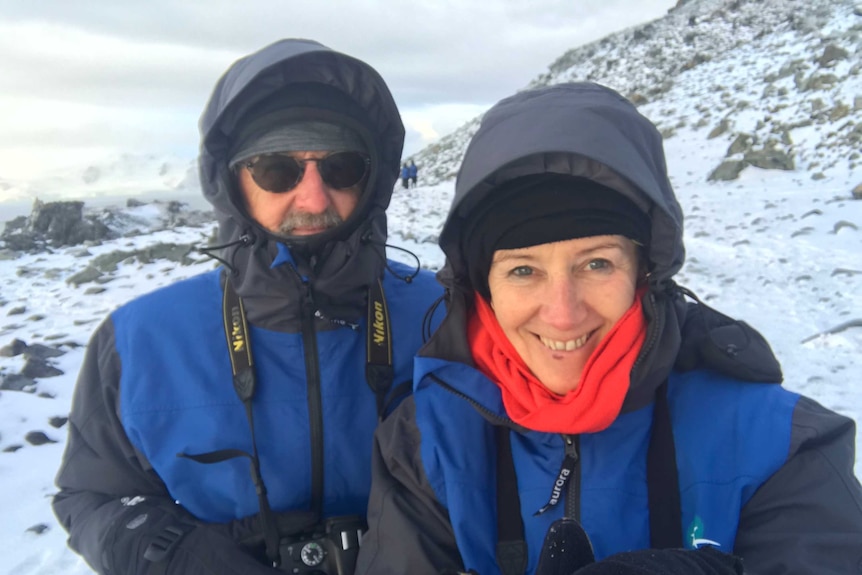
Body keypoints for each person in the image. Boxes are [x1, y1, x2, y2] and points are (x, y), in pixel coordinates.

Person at [355, 82, 862, 575]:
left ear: (645, 271)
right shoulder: (426, 445)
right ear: (482, 288)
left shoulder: (778, 443)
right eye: (523, 270)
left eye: (597, 264)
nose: (562, 314)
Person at [52, 39, 442, 575]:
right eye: (276, 170)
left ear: (372, 180)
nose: (313, 197)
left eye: (343, 168)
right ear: (230, 181)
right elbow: (92, 495)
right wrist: (175, 551)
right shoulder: (139, 340)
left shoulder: (446, 314)